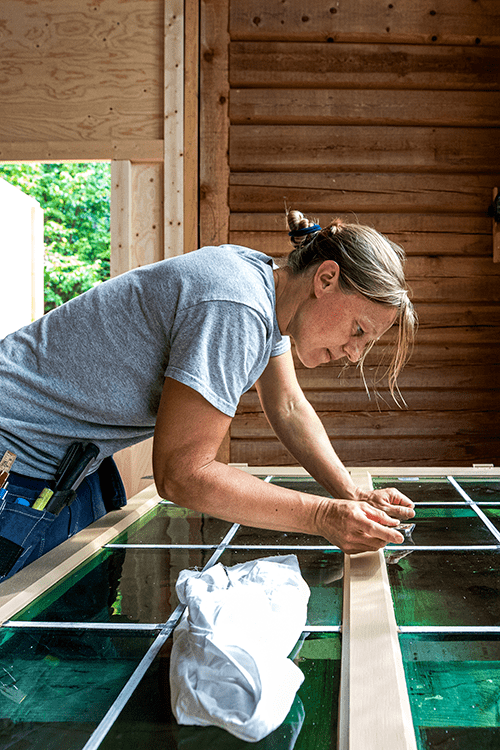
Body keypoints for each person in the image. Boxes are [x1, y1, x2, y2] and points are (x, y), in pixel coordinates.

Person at [0, 209, 416, 581]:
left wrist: (353, 494)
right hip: (13, 451)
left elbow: (287, 406)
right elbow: (182, 474)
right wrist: (323, 516)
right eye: (358, 331)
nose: (354, 353)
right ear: (326, 279)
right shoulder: (237, 306)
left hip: (64, 467)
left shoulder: (263, 289)